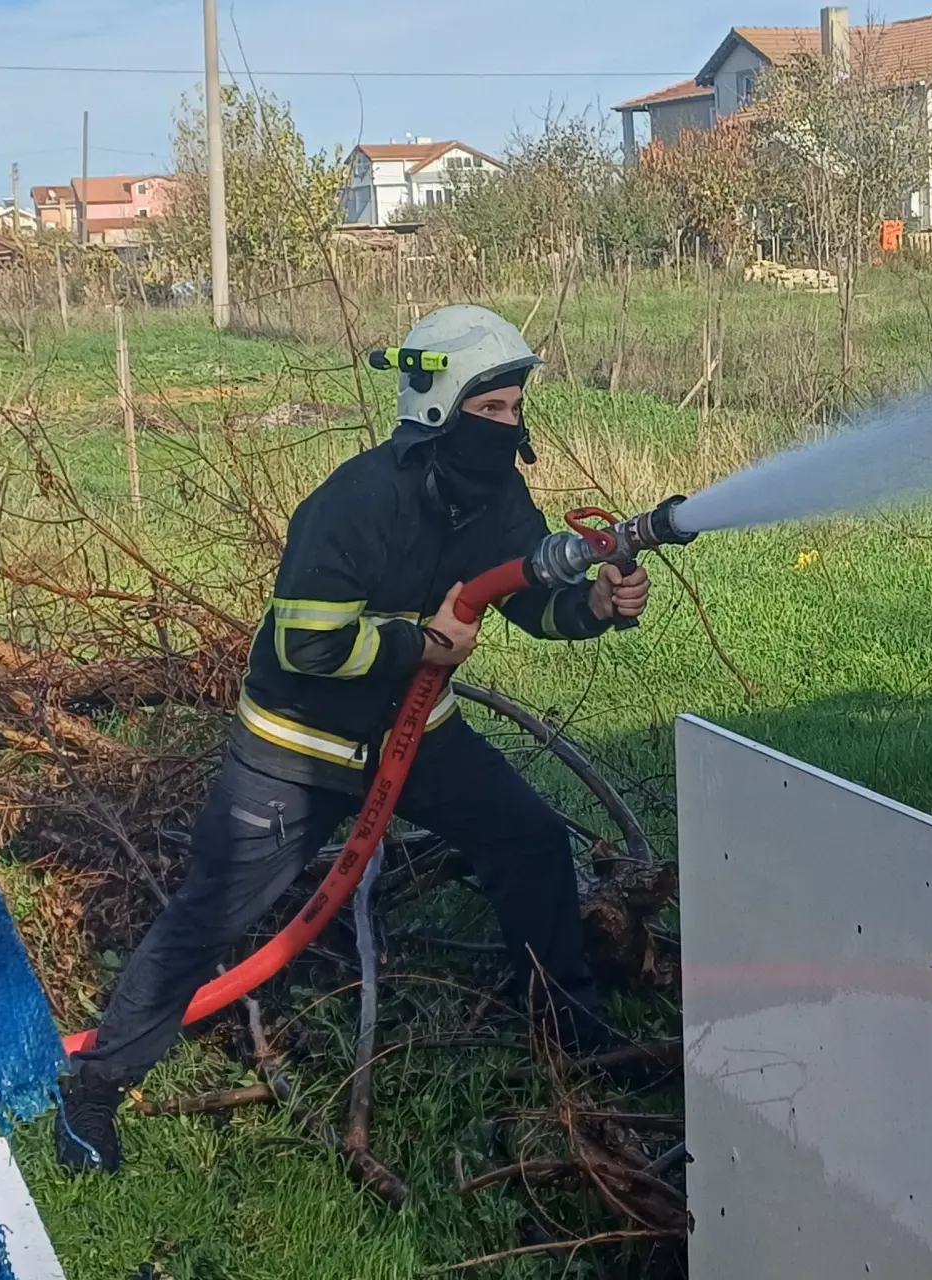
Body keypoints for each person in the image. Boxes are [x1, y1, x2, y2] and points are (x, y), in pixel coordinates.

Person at [55, 305, 651, 1174]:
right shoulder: (356, 502)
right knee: (212, 916)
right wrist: (422, 643)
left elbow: (527, 599)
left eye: (517, 407)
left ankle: (575, 1042)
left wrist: (592, 607)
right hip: (297, 751)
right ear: (439, 406)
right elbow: (309, 644)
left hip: (420, 736)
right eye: (492, 409)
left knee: (526, 838)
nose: (510, 424)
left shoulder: (497, 496)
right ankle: (94, 1092)